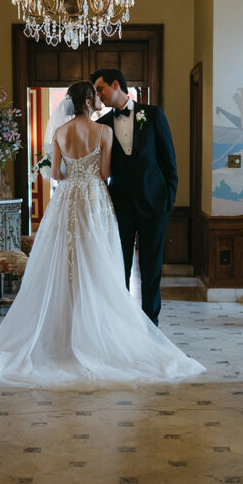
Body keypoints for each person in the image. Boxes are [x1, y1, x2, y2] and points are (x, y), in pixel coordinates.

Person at [0, 81, 204, 389]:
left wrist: (72, 173)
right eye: (96, 95)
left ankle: (61, 330)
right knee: (97, 260)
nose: (100, 99)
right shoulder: (103, 132)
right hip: (94, 199)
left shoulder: (60, 133)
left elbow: (56, 174)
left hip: (66, 201)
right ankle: (97, 327)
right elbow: (104, 173)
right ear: (89, 100)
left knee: (63, 263)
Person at [90, 68, 176, 326]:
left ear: (116, 85)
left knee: (151, 270)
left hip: (154, 205)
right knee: (119, 268)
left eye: (101, 89)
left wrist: (167, 200)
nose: (98, 95)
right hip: (120, 206)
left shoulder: (153, 115)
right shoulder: (101, 125)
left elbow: (169, 162)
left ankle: (151, 326)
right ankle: (121, 326)